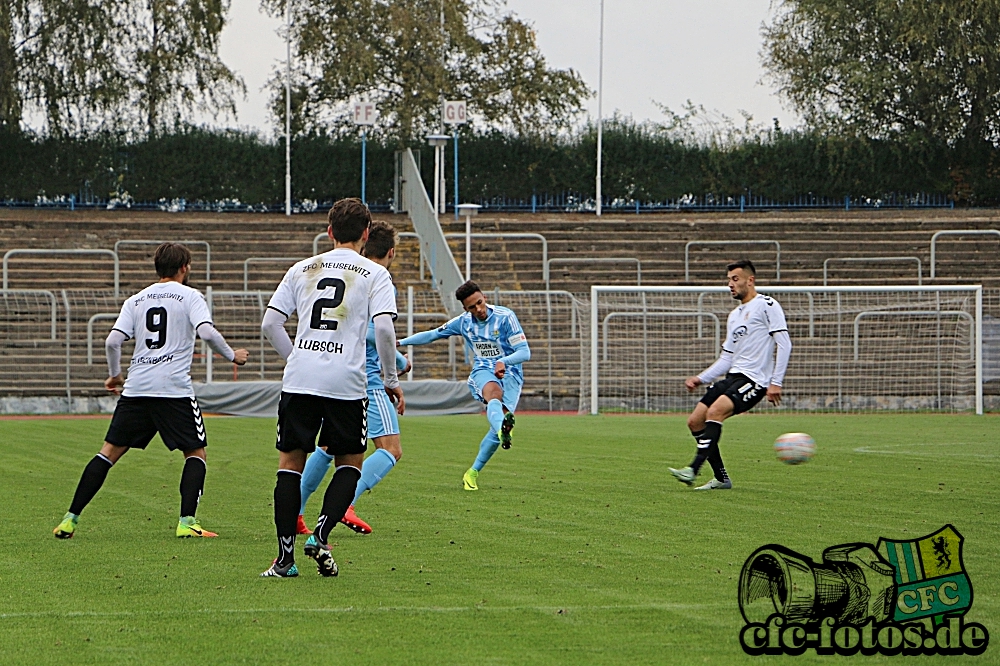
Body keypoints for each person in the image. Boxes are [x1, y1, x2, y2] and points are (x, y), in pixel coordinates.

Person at [53, 243, 249, 540]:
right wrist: (233, 355)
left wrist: (115, 375)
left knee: (108, 453)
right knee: (195, 453)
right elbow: (207, 332)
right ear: (185, 267)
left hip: (137, 388)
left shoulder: (136, 299)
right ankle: (186, 522)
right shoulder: (191, 296)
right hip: (173, 388)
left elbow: (112, 341)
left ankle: (70, 519)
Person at [259, 198, 401, 578]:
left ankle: (284, 560)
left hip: (301, 378)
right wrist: (390, 380)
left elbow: (270, 325)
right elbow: (385, 329)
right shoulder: (374, 273)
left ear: (329, 231)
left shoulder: (303, 268)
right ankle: (320, 536)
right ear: (367, 233)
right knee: (350, 463)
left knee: (289, 466)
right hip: (347, 382)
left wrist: (295, 358)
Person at [296, 220, 410, 536]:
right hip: (367, 379)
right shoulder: (378, 277)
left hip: (327, 370)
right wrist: (398, 362)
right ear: (390, 252)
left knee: (329, 445)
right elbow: (375, 331)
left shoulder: (342, 273)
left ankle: (297, 510)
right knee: (390, 448)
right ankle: (346, 502)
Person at [668, 259, 792, 490]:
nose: (730, 285)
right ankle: (722, 478)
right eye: (729, 280)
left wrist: (776, 382)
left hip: (755, 380)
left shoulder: (767, 305)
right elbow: (727, 358)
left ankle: (692, 469)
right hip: (732, 378)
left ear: (750, 280)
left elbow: (784, 343)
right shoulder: (734, 315)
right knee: (695, 421)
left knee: (715, 412)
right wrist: (701, 378)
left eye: (735, 279)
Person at [397, 280, 530, 491]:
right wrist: (401, 342)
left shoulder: (505, 317)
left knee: (499, 423)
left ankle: (473, 471)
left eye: (479, 303)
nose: (478, 309)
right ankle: (502, 428)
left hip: (511, 373)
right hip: (484, 371)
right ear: (465, 308)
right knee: (493, 394)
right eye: (472, 307)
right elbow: (433, 334)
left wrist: (504, 361)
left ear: (484, 297)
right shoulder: (463, 323)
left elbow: (525, 352)